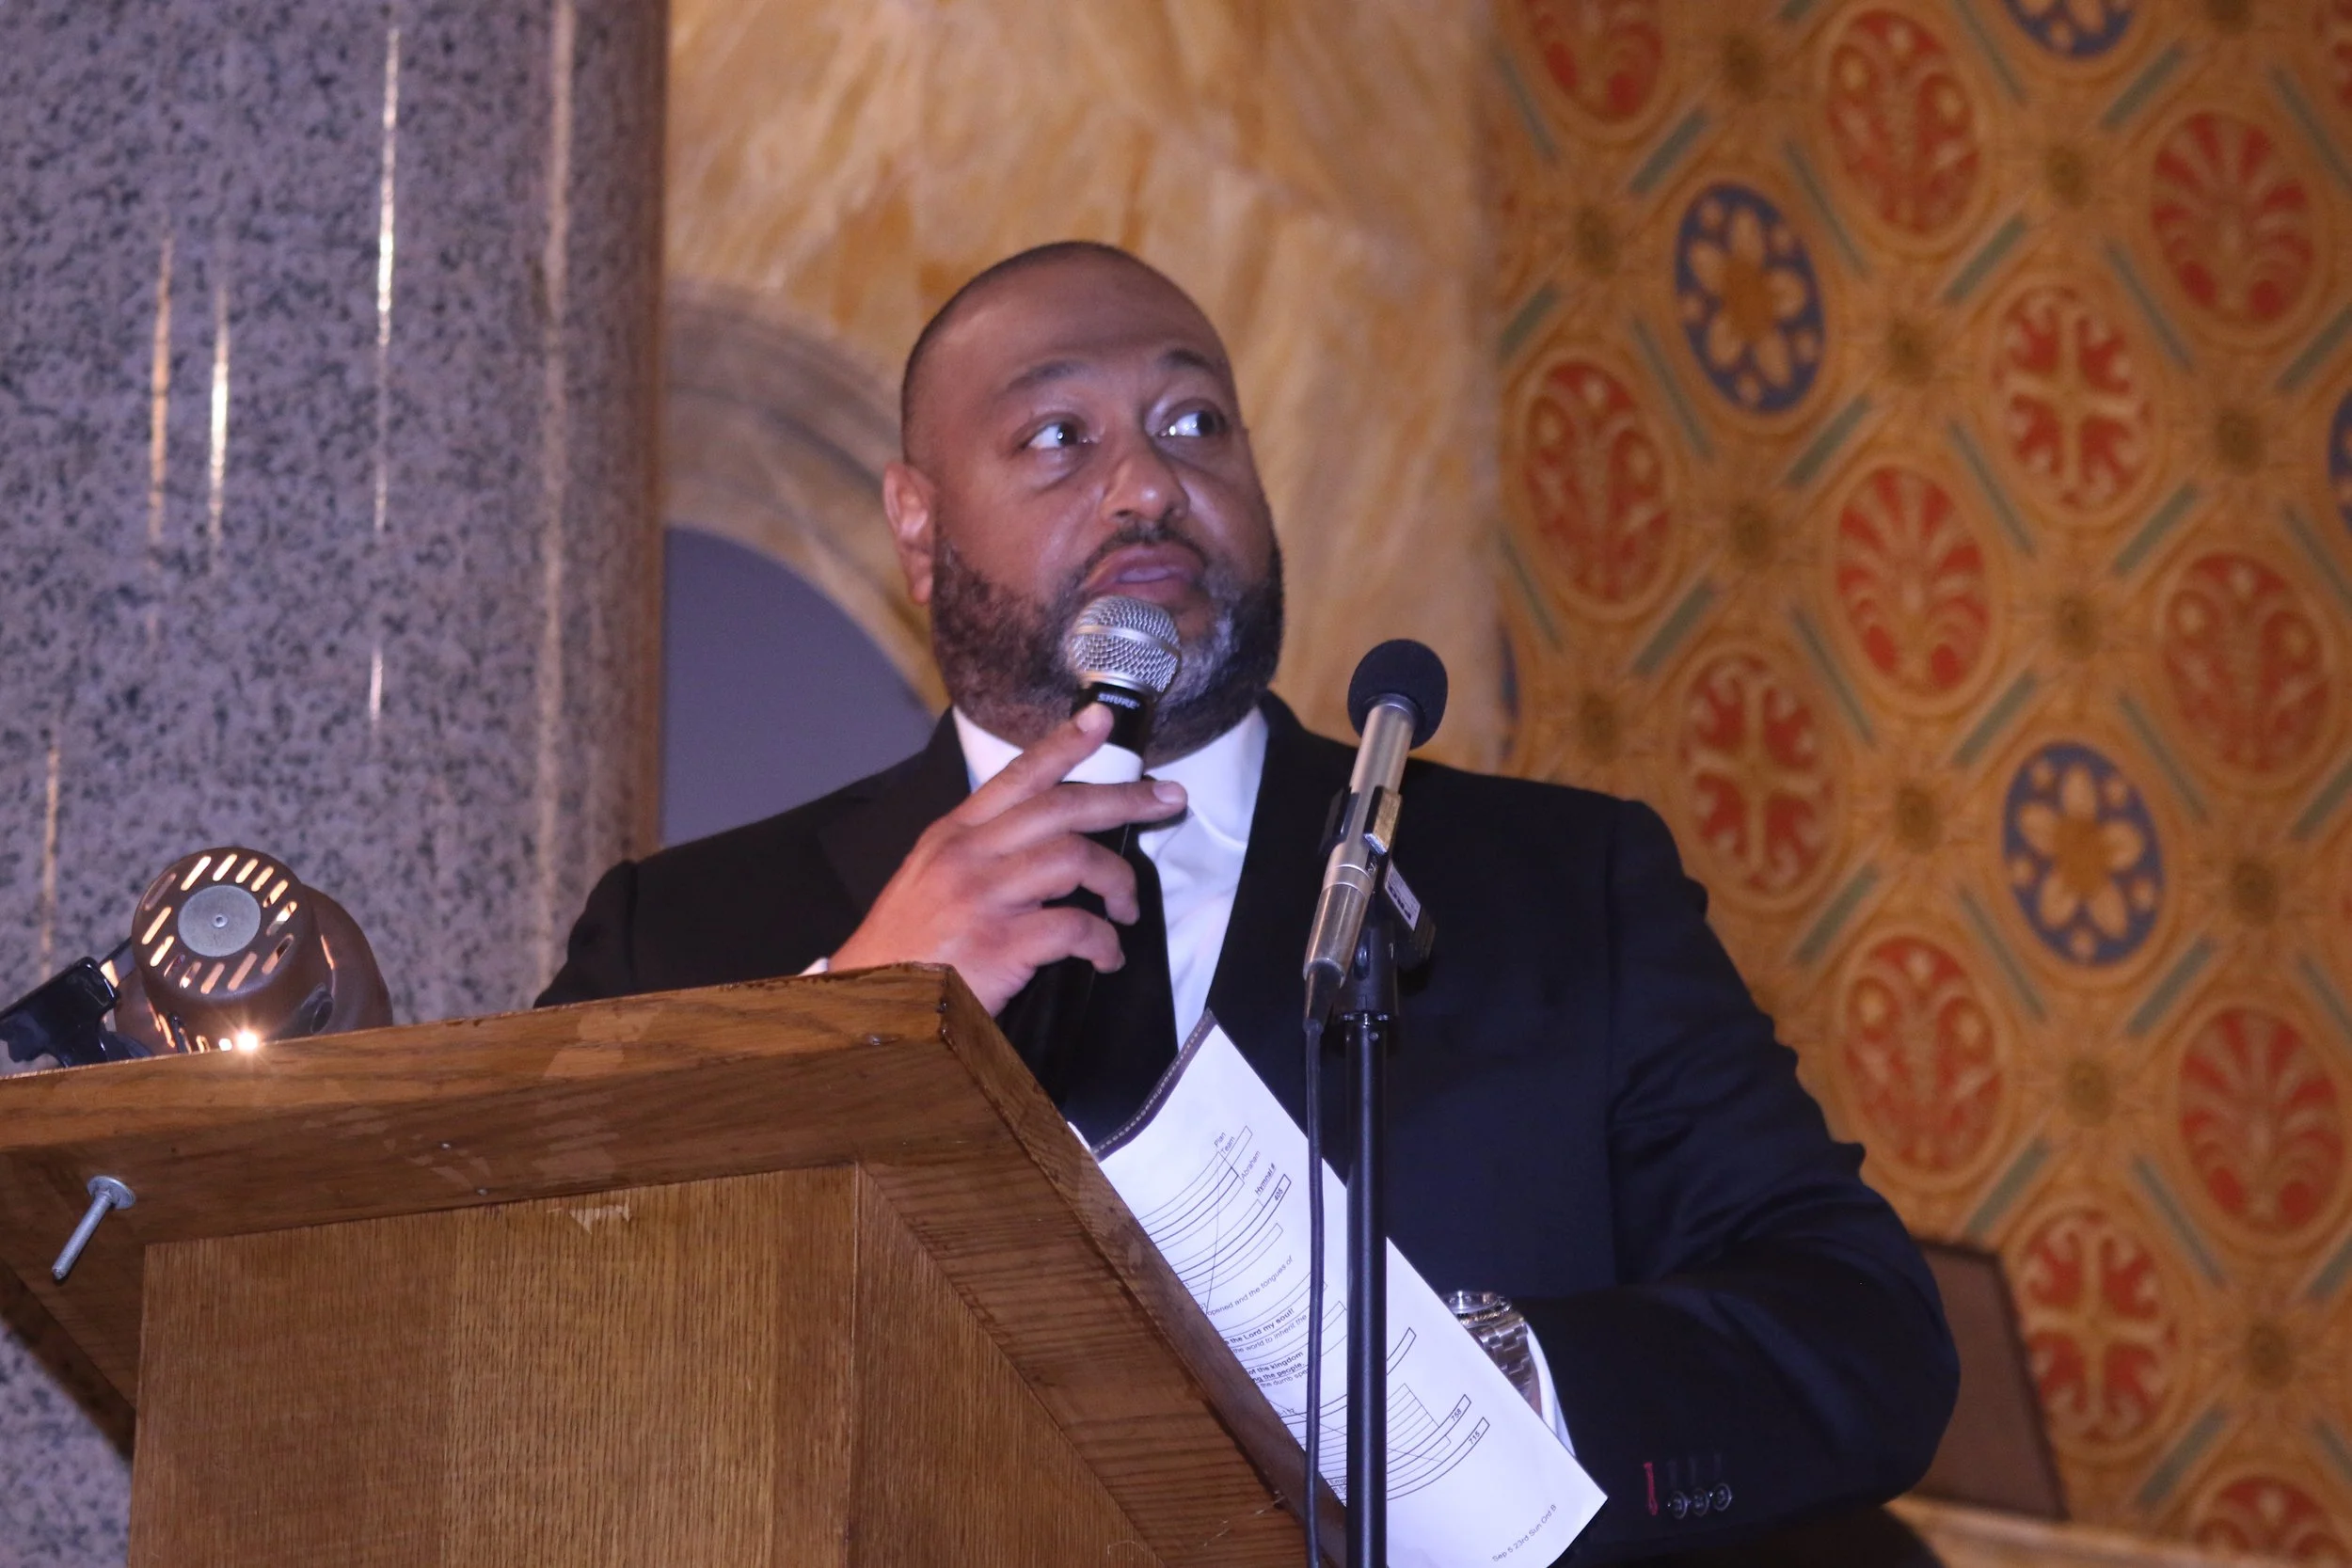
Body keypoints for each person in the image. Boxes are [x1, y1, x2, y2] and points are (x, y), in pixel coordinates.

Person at [539, 241, 1958, 1562]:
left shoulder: (1560, 884)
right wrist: (847, 1027)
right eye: (1057, 436)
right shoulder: (685, 932)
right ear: (918, 526)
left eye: (1195, 422)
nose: (1147, 487)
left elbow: (1861, 1333)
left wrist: (1477, 1391)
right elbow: (539, 1335)